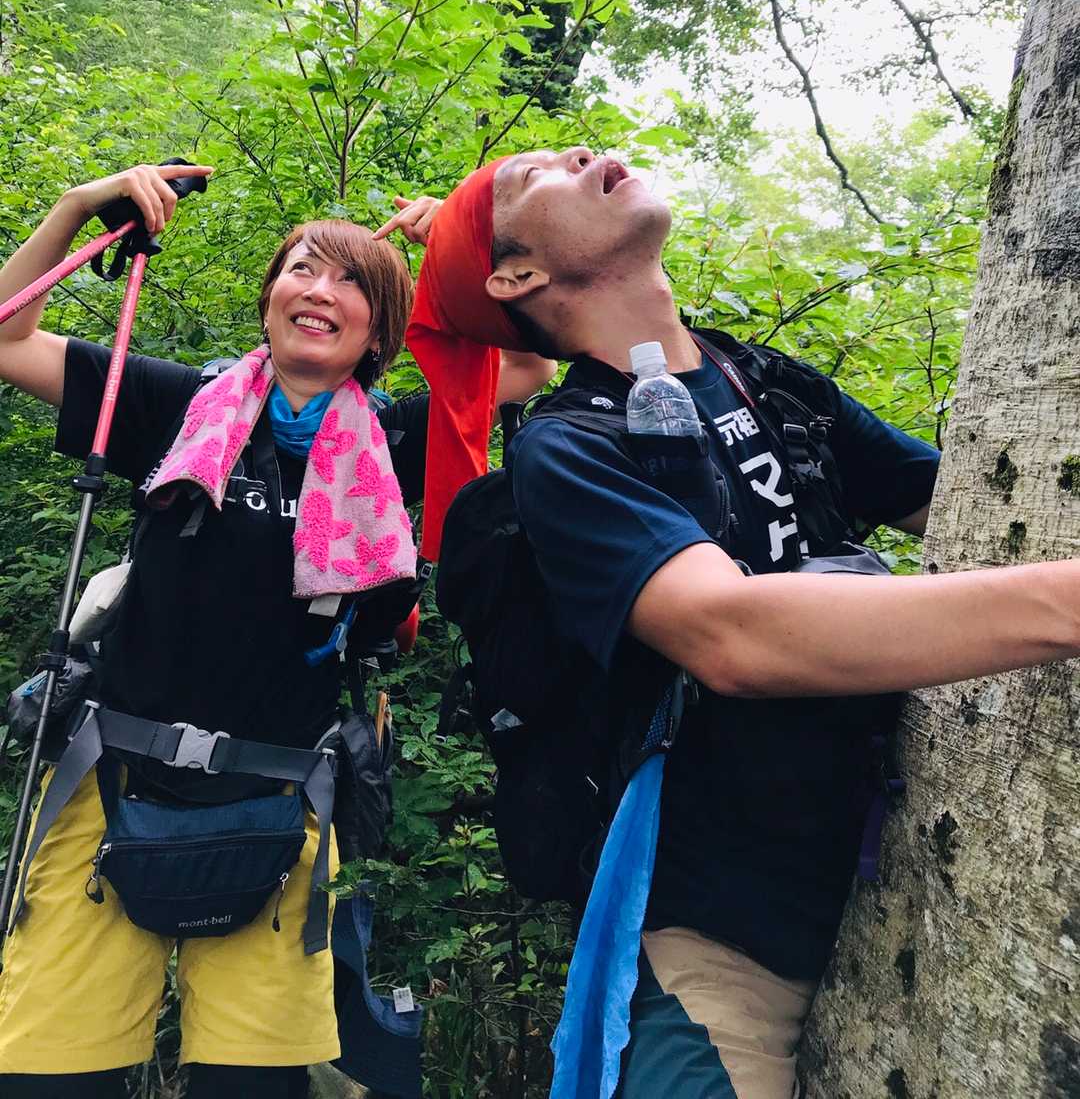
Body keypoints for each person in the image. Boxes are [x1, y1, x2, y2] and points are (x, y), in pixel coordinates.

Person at [399, 146, 1080, 1099]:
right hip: (722, 938)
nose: (581, 152)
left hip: (913, 873)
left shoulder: (765, 378)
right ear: (516, 276)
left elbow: (965, 501)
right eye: (532, 176)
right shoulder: (569, 447)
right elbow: (732, 634)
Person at [0, 165, 551, 1098]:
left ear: (380, 329)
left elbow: (531, 365)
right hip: (112, 786)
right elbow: (8, 335)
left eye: (351, 281)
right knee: (48, 1082)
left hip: (284, 804)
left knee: (252, 1087)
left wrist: (457, 250)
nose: (320, 289)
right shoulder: (176, 406)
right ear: (269, 299)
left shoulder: (394, 439)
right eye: (302, 268)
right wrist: (77, 206)